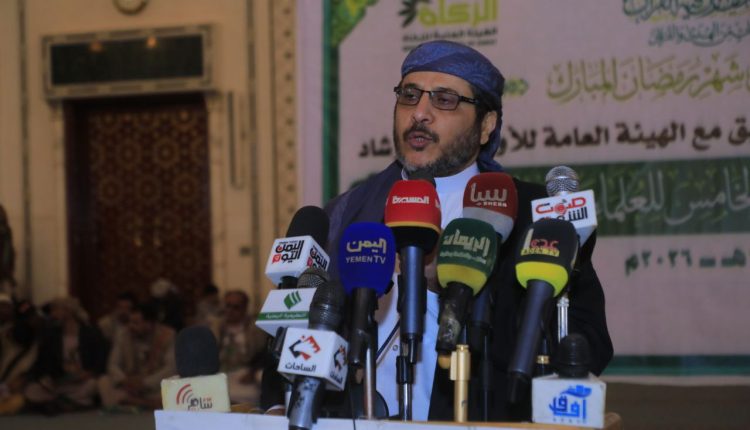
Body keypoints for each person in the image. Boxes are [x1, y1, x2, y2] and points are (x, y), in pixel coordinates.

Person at [322, 40, 613, 421]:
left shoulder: (538, 219)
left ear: (486, 126)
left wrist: (447, 286)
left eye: (444, 100)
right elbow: (296, 338)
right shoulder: (347, 213)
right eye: (409, 95)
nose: (419, 113)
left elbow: (588, 345)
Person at [23, 297, 108, 414]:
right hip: (61, 382)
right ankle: (68, 402)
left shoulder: (91, 333)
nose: (53, 314)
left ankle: (63, 402)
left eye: (56, 310)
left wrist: (89, 373)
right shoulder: (51, 335)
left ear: (68, 311)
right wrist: (49, 377)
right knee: (32, 389)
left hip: (83, 381)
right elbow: (42, 363)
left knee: (93, 384)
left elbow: (101, 360)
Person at [97, 303, 176, 410]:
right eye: (129, 322)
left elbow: (170, 368)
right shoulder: (123, 335)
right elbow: (112, 364)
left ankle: (131, 402)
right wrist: (124, 380)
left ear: (149, 324)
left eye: (136, 323)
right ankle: (145, 403)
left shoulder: (167, 335)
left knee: (174, 387)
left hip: (154, 386)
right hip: (128, 386)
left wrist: (145, 383)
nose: (130, 326)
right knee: (103, 381)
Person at [207, 290, 267, 406]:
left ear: (244, 308)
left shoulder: (256, 329)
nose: (230, 311)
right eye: (227, 306)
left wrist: (252, 371)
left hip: (245, 374)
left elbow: (263, 354)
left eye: (236, 307)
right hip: (219, 374)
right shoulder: (215, 327)